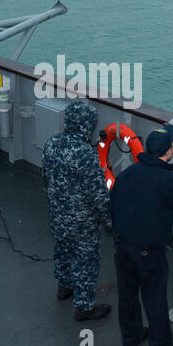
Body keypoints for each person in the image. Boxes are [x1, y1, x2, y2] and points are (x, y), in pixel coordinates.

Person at [109, 125, 173, 346]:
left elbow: (112, 206)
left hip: (123, 247)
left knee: (127, 296)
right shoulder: (167, 181)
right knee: (155, 300)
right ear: (170, 152)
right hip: (149, 253)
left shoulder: (127, 174)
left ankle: (132, 337)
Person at [42, 100, 112, 321]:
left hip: (57, 214)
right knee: (86, 260)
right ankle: (84, 307)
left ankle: (64, 286)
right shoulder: (85, 155)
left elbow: (45, 177)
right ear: (87, 125)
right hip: (82, 223)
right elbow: (99, 196)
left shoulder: (52, 142)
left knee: (62, 249)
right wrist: (112, 221)